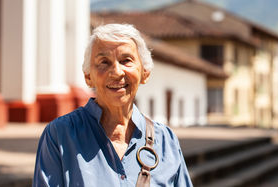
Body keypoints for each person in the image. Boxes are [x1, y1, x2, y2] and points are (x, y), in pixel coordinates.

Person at [33, 24, 193, 186]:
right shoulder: (60, 135)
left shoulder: (166, 140)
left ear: (145, 73)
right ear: (88, 77)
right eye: (104, 62)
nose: (116, 72)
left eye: (126, 60)